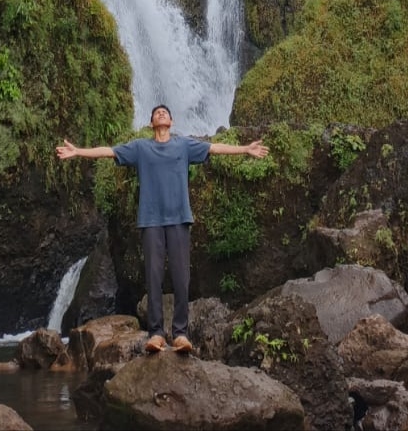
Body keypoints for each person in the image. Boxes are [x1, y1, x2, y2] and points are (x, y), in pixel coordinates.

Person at [56, 103, 268, 354]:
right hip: (151, 220)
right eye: (157, 112)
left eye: (165, 112)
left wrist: (246, 149)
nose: (161, 113)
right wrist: (78, 151)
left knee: (181, 278)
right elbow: (109, 152)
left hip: (179, 219)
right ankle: (156, 334)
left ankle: (180, 334)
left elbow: (215, 148)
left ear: (172, 121)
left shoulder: (184, 145)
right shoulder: (140, 148)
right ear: (151, 124)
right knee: (153, 278)